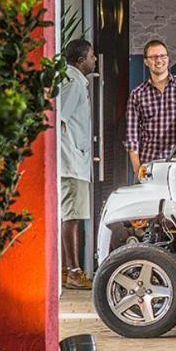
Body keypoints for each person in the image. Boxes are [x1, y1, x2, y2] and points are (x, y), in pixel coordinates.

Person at [126, 39, 176, 181]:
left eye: (162, 56)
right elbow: (132, 136)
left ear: (168, 59)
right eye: (153, 57)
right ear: (146, 62)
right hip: (148, 165)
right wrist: (138, 171)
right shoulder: (137, 94)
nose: (158, 60)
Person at [57, 39, 96, 290]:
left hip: (75, 159)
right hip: (71, 161)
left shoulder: (75, 81)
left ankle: (67, 270)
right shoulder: (73, 82)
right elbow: (59, 118)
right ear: (81, 60)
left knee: (73, 215)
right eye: (92, 56)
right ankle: (72, 271)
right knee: (71, 217)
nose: (95, 60)